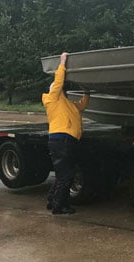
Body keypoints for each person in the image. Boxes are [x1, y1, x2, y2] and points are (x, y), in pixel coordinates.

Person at [42, 52, 90, 215]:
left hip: (66, 140)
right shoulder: (52, 99)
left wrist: (86, 92)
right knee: (66, 176)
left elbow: (81, 106)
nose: (62, 89)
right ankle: (59, 206)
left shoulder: (67, 104)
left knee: (63, 174)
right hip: (60, 140)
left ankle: (52, 201)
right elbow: (58, 81)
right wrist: (62, 62)